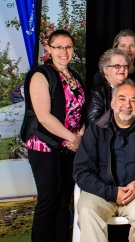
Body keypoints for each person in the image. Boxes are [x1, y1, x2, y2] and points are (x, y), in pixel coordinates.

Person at [73, 81, 135, 242]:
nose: (127, 105)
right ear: (112, 103)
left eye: (133, 100)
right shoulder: (96, 129)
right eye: (122, 99)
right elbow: (81, 171)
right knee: (87, 210)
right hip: (101, 192)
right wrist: (112, 193)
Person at [22, 29, 86, 242]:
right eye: (58, 46)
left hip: (69, 148)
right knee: (48, 200)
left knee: (62, 200)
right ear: (49, 48)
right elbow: (44, 117)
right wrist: (73, 138)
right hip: (45, 146)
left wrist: (81, 134)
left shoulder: (74, 76)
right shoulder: (40, 75)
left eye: (68, 47)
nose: (63, 51)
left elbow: (80, 111)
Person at [86, 48, 130, 126]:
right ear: (105, 70)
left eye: (125, 66)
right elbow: (94, 124)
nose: (123, 69)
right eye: (117, 66)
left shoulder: (131, 90)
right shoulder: (98, 93)